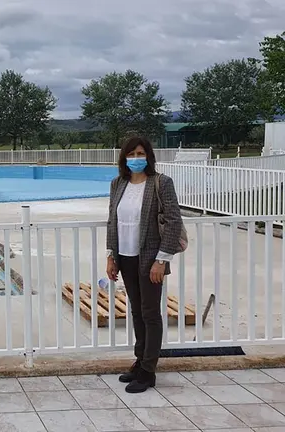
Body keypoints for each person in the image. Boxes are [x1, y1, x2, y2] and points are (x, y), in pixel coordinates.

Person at [106, 136, 183, 393]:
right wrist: (111, 256)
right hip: (126, 257)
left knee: (150, 313)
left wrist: (162, 260)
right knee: (137, 311)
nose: (136, 158)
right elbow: (112, 222)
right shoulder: (118, 184)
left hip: (151, 259)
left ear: (148, 156)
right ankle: (140, 361)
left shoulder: (161, 183)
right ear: (124, 157)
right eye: (131, 154)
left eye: (141, 153)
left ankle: (149, 371)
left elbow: (173, 221)